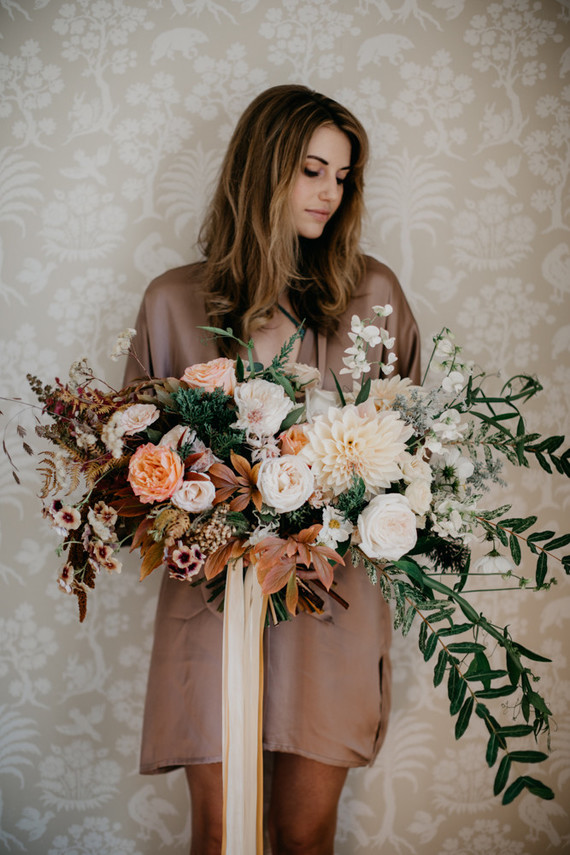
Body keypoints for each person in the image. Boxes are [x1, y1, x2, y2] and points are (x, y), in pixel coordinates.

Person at [124, 84, 420, 855]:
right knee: (221, 833)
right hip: (211, 603)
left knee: (304, 832)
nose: (330, 193)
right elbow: (132, 474)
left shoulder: (375, 295)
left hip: (334, 600)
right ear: (262, 170)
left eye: (342, 177)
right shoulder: (172, 302)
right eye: (312, 171)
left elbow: (421, 456)